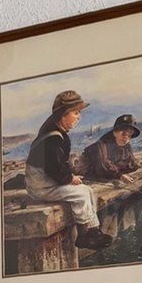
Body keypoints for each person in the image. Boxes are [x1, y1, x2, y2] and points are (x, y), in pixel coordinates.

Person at [24, 90, 104, 249]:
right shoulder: (53, 137)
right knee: (81, 193)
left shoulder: (56, 133)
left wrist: (70, 176)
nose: (79, 117)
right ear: (63, 114)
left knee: (88, 190)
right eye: (76, 112)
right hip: (41, 187)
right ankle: (83, 236)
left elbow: (59, 164)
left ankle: (94, 230)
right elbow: (54, 168)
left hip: (47, 183)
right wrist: (70, 178)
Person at [78, 113, 142, 182]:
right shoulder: (101, 144)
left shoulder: (126, 144)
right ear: (115, 132)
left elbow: (131, 160)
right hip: (84, 168)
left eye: (130, 134)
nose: (126, 137)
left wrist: (136, 164)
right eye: (124, 133)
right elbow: (103, 166)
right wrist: (120, 176)